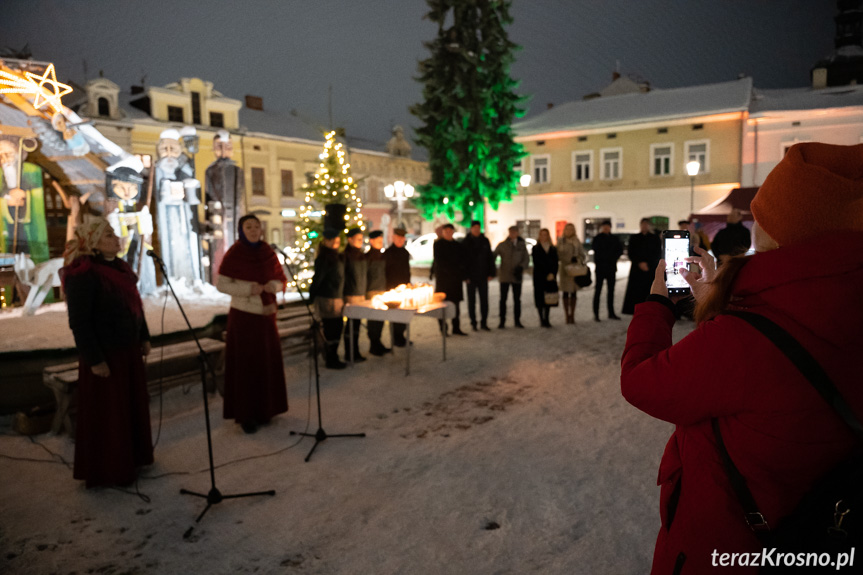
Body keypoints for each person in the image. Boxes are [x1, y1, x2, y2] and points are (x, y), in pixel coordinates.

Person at [620, 142, 863, 574]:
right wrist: (724, 306)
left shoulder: (742, 339)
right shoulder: (839, 305)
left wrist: (658, 302)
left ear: (785, 230)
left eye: (761, 218)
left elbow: (641, 381)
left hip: (727, 546)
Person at [60, 216, 153, 488]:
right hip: (106, 354)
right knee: (109, 415)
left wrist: (143, 336)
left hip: (128, 350)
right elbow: (80, 322)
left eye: (114, 233)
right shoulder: (83, 273)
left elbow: (135, 307)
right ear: (93, 243)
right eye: (108, 234)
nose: (116, 237)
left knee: (130, 407)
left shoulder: (121, 269)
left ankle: (133, 458)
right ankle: (109, 469)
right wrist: (95, 360)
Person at [216, 214, 288, 434]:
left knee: (266, 363)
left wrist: (273, 287)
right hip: (244, 316)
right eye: (249, 227)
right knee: (246, 366)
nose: (254, 230)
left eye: (257, 226)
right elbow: (222, 284)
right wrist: (249, 289)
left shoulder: (268, 252)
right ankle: (246, 414)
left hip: (266, 317)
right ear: (241, 230)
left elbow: (281, 279)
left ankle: (266, 409)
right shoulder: (235, 253)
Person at [309, 228, 346, 369]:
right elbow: (318, 278)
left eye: (337, 239)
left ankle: (334, 356)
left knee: (337, 328)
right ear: (326, 241)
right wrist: (312, 296)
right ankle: (331, 358)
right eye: (332, 240)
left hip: (336, 298)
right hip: (327, 299)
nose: (335, 242)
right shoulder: (324, 258)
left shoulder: (337, 256)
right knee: (331, 330)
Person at [431, 223, 467, 335]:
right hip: (443, 280)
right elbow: (440, 261)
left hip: (455, 280)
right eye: (446, 231)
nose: (448, 233)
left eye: (450, 231)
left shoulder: (457, 245)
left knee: (455, 305)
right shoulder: (438, 245)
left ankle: (456, 327)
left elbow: (462, 261)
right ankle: (443, 328)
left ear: (453, 232)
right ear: (443, 232)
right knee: (441, 304)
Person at [621, 218, 661, 315]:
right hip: (637, 268)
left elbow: (657, 253)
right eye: (643, 224)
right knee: (636, 291)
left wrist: (648, 264)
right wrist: (639, 262)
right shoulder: (634, 238)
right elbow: (631, 252)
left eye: (646, 224)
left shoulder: (654, 238)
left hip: (650, 268)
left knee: (649, 289)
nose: (644, 226)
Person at [461, 220, 495, 331]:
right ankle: (473, 323)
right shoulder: (465, 242)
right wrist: (465, 276)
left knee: (484, 300)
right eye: (474, 227)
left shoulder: (485, 241)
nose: (476, 229)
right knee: (472, 301)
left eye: (478, 227)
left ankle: (484, 322)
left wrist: (491, 273)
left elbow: (490, 258)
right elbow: (463, 261)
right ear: (471, 229)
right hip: (470, 277)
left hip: (483, 276)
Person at [494, 225, 530, 328]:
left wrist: (521, 267)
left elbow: (526, 259)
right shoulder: (503, 245)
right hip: (505, 276)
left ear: (517, 233)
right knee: (503, 299)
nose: (512, 234)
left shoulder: (522, 245)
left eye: (514, 232)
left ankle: (517, 320)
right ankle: (502, 321)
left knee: (517, 299)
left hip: (516, 276)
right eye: (511, 232)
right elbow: (494, 255)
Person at [342, 227, 368, 360]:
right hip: (351, 294)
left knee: (357, 325)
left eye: (361, 239)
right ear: (350, 240)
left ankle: (355, 351)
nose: (360, 242)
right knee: (351, 325)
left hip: (360, 294)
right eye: (358, 239)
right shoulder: (346, 255)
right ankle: (350, 352)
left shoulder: (361, 254)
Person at [384, 226, 411, 347]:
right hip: (392, 288)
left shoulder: (405, 252)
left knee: (404, 313)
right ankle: (396, 337)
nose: (401, 240)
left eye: (402, 238)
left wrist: (408, 284)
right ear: (394, 238)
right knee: (395, 315)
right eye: (398, 238)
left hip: (404, 288)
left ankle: (401, 336)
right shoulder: (388, 253)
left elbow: (407, 270)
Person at [365, 230, 391, 356]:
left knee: (380, 318)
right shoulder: (368, 257)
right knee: (373, 319)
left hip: (382, 290)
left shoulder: (382, 256)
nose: (380, 243)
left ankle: (378, 342)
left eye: (381, 241)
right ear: (371, 241)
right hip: (372, 291)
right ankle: (373, 344)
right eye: (378, 241)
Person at [591, 221, 623, 321]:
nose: (606, 228)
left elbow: (619, 251)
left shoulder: (614, 239)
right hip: (600, 268)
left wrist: (613, 258)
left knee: (611, 291)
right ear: (602, 227)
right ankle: (596, 314)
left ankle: (611, 312)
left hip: (611, 268)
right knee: (598, 291)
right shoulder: (597, 238)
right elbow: (596, 250)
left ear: (610, 227)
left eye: (607, 226)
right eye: (604, 226)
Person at [556, 223, 587, 325]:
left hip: (575, 270)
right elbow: (558, 254)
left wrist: (578, 259)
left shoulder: (576, 241)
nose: (569, 231)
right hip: (565, 270)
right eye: (567, 229)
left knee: (573, 292)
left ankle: (572, 315)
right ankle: (566, 315)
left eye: (571, 229)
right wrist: (567, 260)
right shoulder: (561, 241)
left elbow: (582, 254)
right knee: (565, 292)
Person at [531, 228, 559, 328]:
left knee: (548, 297)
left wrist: (552, 274)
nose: (543, 237)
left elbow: (555, 263)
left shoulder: (553, 249)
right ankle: (541, 319)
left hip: (550, 277)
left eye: (545, 234)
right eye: (542, 235)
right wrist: (546, 273)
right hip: (539, 277)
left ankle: (546, 318)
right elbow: (537, 262)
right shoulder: (535, 248)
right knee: (539, 298)